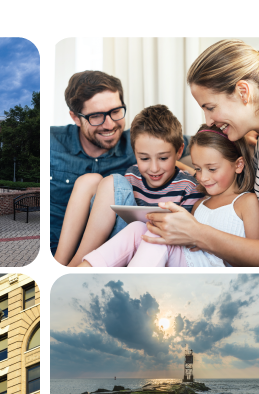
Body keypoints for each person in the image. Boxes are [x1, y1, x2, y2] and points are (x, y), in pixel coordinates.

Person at [141, 39, 259, 267]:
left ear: (242, 92)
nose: (209, 121)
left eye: (210, 107)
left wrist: (198, 233)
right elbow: (216, 167)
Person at [50, 70, 195, 259]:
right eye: (96, 116)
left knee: (103, 181)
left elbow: (200, 143)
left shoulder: (141, 143)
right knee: (90, 180)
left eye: (116, 112)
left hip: (114, 246)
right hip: (57, 246)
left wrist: (243, 133)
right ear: (76, 117)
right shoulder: (52, 142)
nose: (109, 124)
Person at [77, 124, 259, 267]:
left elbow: (258, 256)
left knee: (156, 237)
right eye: (198, 169)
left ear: (238, 165)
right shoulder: (200, 203)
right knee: (138, 228)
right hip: (186, 260)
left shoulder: (246, 203)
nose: (203, 177)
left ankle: (132, 290)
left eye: (212, 169)